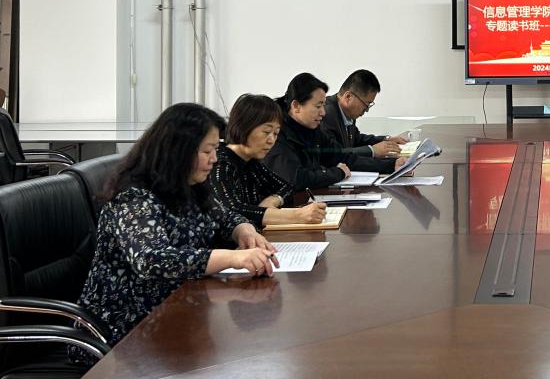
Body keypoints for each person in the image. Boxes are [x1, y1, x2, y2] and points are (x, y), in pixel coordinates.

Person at [77, 103, 278, 347]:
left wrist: (243, 230)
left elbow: (224, 217)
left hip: (175, 310)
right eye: (207, 151)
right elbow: (152, 259)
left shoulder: (188, 186)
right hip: (126, 327)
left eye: (216, 149)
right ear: (179, 151)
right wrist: (231, 258)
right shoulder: (133, 198)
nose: (214, 159)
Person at [209, 93, 328, 227]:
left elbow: (287, 187)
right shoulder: (219, 163)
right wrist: (297, 215)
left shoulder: (251, 161)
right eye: (266, 132)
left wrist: (272, 201)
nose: (272, 140)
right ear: (243, 127)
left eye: (276, 133)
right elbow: (232, 212)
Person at [264, 72, 355, 190]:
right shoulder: (276, 133)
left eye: (323, 105)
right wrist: (338, 173)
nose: (323, 112)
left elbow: (339, 156)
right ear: (296, 106)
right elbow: (296, 179)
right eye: (318, 106)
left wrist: (379, 165)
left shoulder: (313, 128)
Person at [320, 69, 409, 173]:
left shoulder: (347, 112)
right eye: (366, 104)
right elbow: (337, 155)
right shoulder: (325, 114)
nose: (366, 110)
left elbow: (357, 139)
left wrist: (386, 139)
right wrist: (372, 151)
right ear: (348, 97)